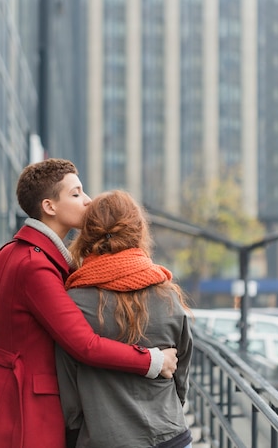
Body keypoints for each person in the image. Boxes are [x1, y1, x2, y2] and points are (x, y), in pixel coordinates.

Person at [0, 159, 178, 448]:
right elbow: (83, 344)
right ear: (50, 207)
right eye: (76, 194)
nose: (87, 202)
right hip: (30, 411)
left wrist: (11, 364)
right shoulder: (36, 265)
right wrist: (152, 360)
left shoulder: (8, 253)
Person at [55, 189, 193, 448]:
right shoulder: (167, 295)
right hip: (169, 436)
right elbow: (181, 371)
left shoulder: (72, 303)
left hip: (103, 438)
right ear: (139, 230)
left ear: (87, 234)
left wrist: (75, 433)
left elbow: (68, 384)